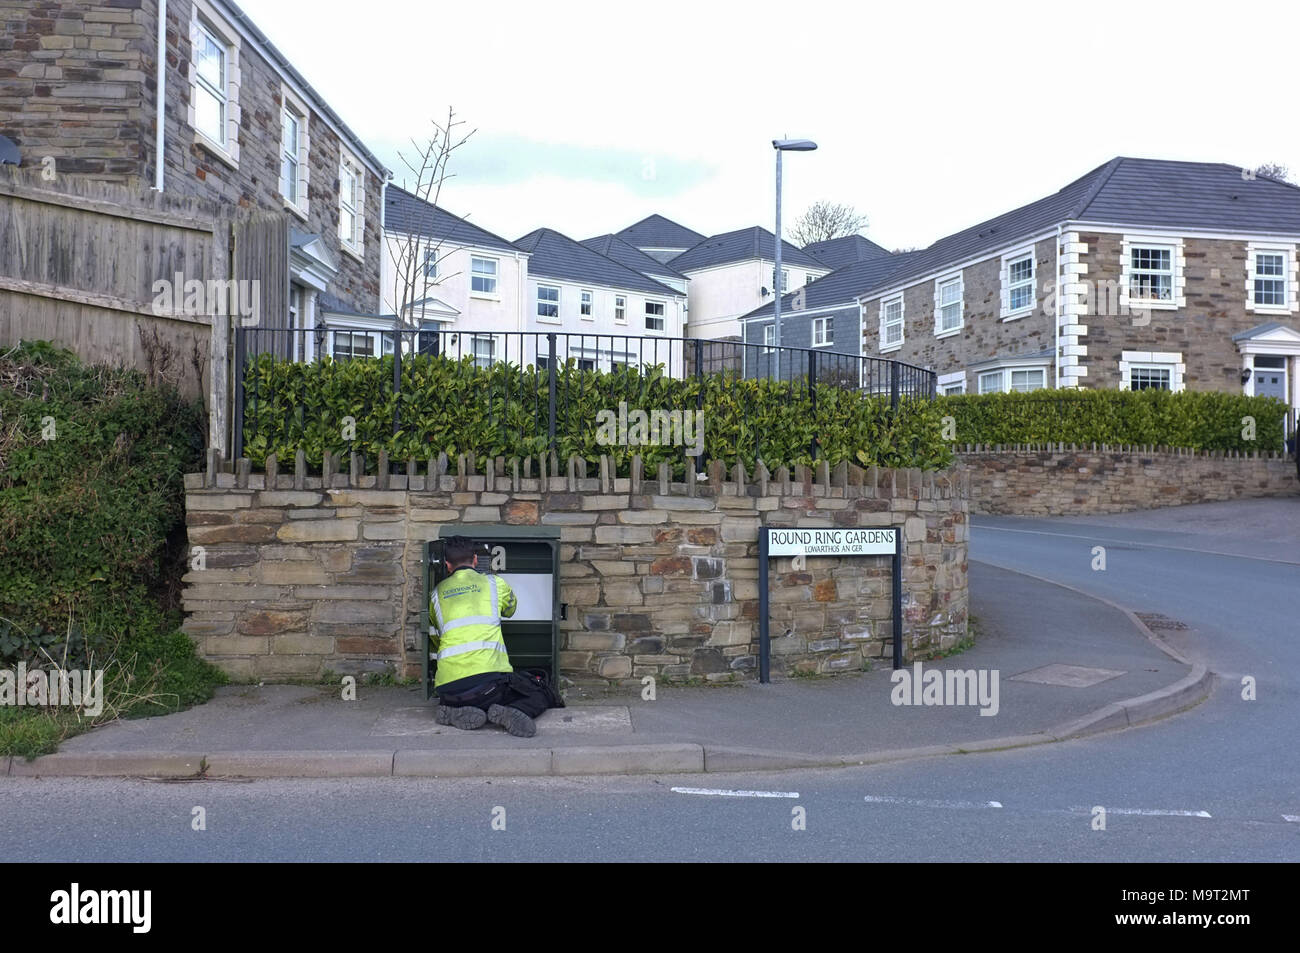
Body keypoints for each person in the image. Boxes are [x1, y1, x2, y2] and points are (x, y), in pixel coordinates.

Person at [429, 535, 554, 738]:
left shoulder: (436, 594)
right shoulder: (495, 583)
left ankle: (451, 712)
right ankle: (512, 711)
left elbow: (435, 634)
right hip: (488, 688)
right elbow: (510, 609)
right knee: (539, 690)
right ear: (476, 560)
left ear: (447, 565)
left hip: (447, 691)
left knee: (471, 696)